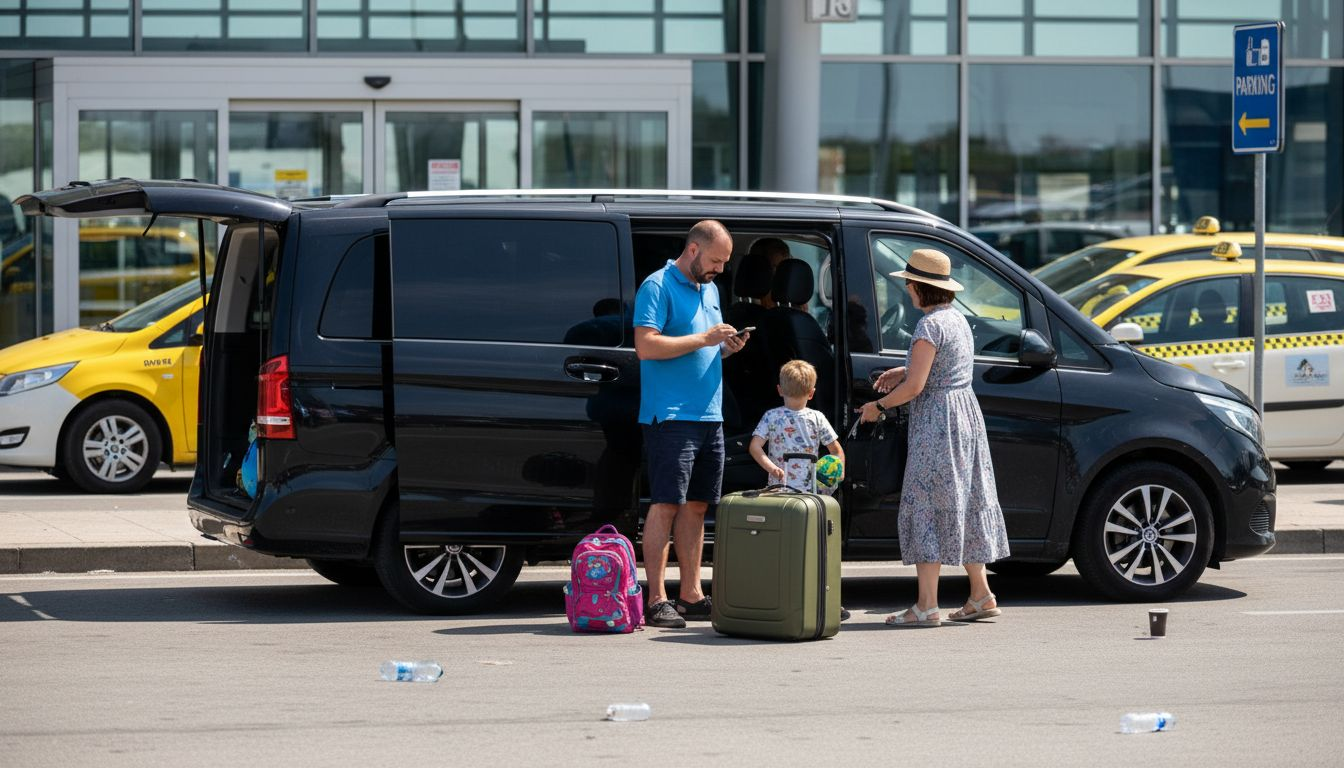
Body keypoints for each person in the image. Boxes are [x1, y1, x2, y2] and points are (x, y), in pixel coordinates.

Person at [856, 248, 1010, 627]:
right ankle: (980, 593)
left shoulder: (928, 326)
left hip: (937, 423)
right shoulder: (956, 320)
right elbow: (937, 367)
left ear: (920, 287)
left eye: (909, 284)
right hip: (965, 417)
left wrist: (879, 405)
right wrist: (902, 369)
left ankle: (926, 605)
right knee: (966, 497)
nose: (906, 289)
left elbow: (917, 387)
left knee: (925, 503)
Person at [634, 219, 746, 628]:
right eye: (716, 260)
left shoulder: (710, 289)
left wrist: (727, 347)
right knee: (666, 504)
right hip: (672, 414)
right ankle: (657, 598)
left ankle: (691, 594)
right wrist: (705, 339)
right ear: (694, 250)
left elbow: (705, 349)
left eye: (725, 262)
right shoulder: (657, 285)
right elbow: (646, 346)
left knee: (697, 506)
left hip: (709, 414)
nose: (720, 269)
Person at [749, 360, 844, 494]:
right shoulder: (818, 418)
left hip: (778, 489)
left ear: (779, 390)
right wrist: (838, 473)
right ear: (811, 393)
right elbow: (836, 451)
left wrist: (771, 468)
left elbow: (754, 447)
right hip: (810, 493)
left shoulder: (771, 416)